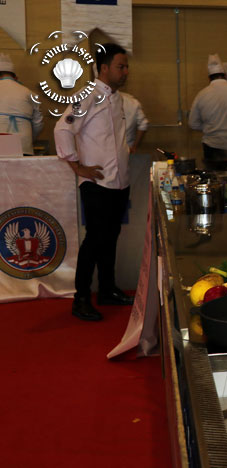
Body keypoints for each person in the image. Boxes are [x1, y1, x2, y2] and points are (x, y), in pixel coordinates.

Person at [54, 43, 135, 321]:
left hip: (119, 182)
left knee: (110, 238)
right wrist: (77, 166)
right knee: (95, 240)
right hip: (97, 184)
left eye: (126, 67)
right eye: (120, 66)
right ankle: (80, 298)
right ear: (103, 68)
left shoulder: (118, 98)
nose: (125, 71)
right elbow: (63, 127)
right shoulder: (87, 95)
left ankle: (108, 289)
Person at [188, 53, 227, 169]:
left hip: (212, 151)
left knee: (215, 182)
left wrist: (209, 127)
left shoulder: (202, 95)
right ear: (225, 75)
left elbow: (192, 124)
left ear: (209, 77)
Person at [0, 53, 43, 156]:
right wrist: (30, 139)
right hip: (24, 145)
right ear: (16, 77)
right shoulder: (30, 93)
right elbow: (38, 123)